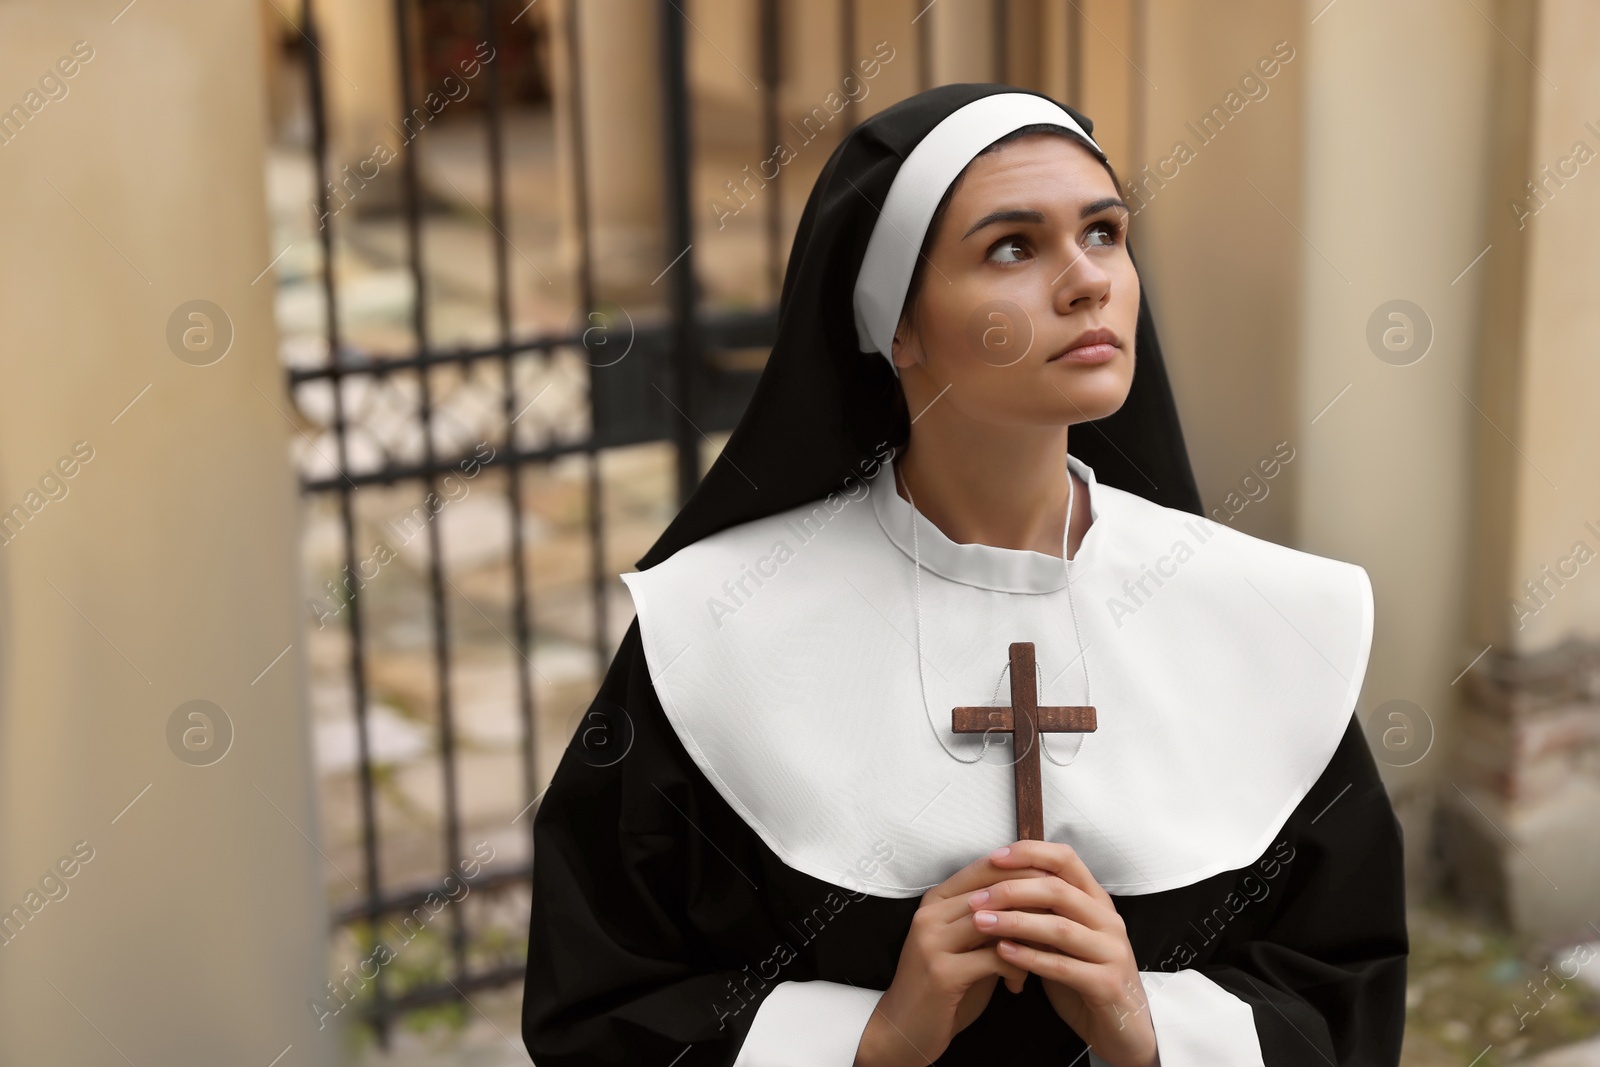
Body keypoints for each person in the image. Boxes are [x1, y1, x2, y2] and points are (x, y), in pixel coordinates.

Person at [521, 83, 1408, 1067]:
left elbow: (1342, 991)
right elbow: (601, 1011)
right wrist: (868, 1039)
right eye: (1013, 247)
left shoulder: (1259, 619)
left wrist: (1151, 1026)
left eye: (1105, 232)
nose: (1086, 281)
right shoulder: (714, 631)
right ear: (895, 327)